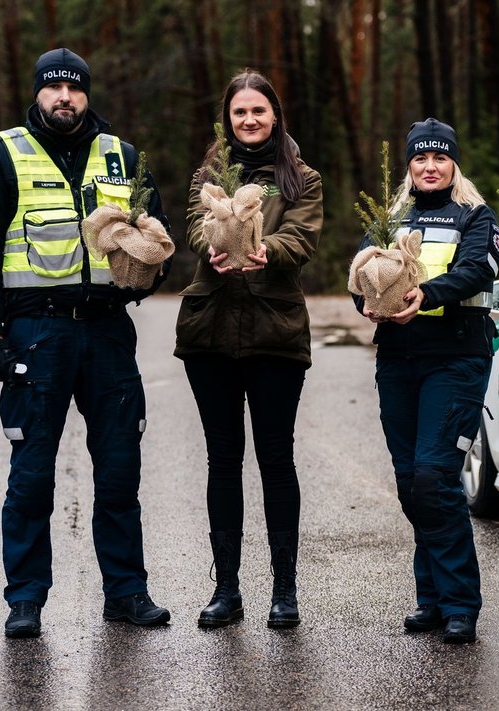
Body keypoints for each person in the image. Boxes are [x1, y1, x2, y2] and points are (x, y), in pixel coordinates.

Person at [0, 48, 172, 638]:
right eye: (53, 89)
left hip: (106, 331)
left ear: (86, 94)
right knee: (31, 474)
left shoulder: (121, 157)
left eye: (74, 89)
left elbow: (157, 234)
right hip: (35, 334)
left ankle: (127, 592)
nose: (64, 99)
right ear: (38, 94)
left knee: (121, 469)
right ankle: (25, 599)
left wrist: (151, 265)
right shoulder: (2, 155)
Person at [174, 69, 324, 630]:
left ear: (275, 115)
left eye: (259, 110)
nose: (250, 120)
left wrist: (268, 250)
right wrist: (212, 247)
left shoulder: (301, 179)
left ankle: (284, 591)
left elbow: (303, 238)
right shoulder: (207, 174)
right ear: (228, 118)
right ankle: (227, 589)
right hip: (210, 330)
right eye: (240, 112)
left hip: (274, 334)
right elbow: (194, 226)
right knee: (222, 459)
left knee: (276, 458)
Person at [353, 118, 499, 644]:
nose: (430, 166)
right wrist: (368, 303)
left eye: (440, 158)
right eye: (421, 158)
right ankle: (432, 599)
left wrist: (427, 295)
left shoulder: (477, 216)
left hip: (457, 360)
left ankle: (460, 602)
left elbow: (476, 271)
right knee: (409, 480)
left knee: (434, 477)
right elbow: (361, 274)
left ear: (453, 164)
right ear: (410, 166)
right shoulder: (388, 218)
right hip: (398, 361)